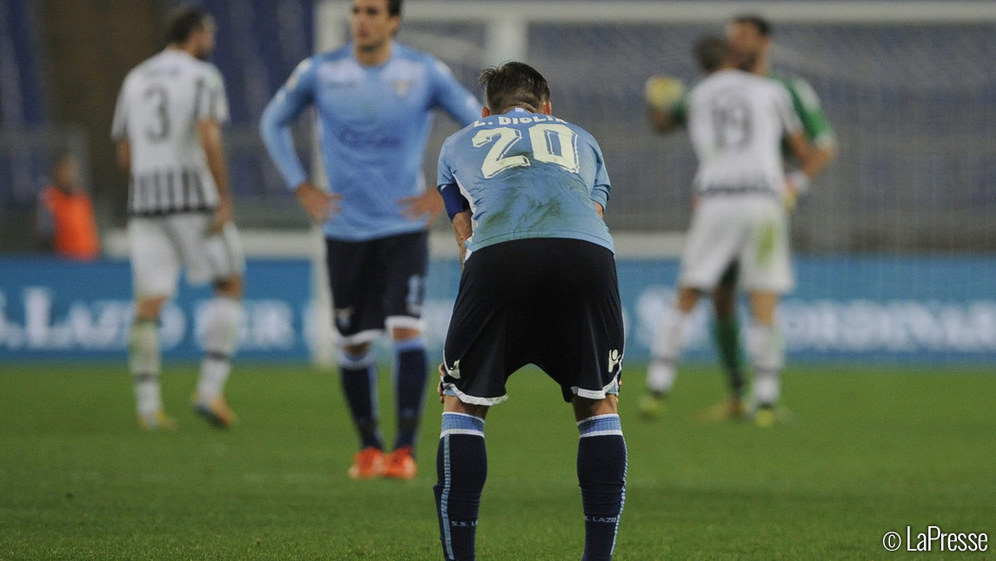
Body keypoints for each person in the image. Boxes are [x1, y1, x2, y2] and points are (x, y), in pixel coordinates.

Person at [259, 0, 481, 480]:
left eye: (373, 11)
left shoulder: (423, 72)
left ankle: (404, 450)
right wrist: (301, 186)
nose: (362, 19)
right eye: (357, 10)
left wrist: (446, 192)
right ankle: (368, 447)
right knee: (353, 341)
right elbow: (271, 121)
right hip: (345, 230)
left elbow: (479, 125)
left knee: (406, 329)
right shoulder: (321, 72)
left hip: (402, 228)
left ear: (393, 21)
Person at [434, 61, 626, 561]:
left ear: (486, 113)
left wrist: (465, 338)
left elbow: (465, 237)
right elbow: (594, 212)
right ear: (547, 109)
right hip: (585, 254)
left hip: (500, 256)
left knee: (462, 404)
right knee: (599, 403)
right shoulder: (583, 139)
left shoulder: (457, 143)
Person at [642, 15, 837, 422]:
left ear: (763, 42)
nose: (738, 44)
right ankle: (760, 397)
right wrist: (786, 180)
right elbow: (805, 148)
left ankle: (657, 387)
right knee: (755, 297)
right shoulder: (772, 92)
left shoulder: (702, 91)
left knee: (690, 291)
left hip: (716, 200)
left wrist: (657, 98)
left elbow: (665, 121)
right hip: (762, 200)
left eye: (745, 37)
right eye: (733, 39)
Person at [111, 5, 245, 430]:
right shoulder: (203, 76)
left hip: (145, 205)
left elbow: (124, 151)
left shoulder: (135, 78)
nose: (213, 41)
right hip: (194, 202)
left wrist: (147, 186)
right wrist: (223, 196)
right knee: (230, 281)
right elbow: (208, 134)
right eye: (210, 33)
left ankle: (148, 408)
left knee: (149, 302)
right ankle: (209, 390)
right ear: (196, 34)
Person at [36, 152, 101, 261]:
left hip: (87, 261)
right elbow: (45, 235)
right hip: (63, 262)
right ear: (57, 171)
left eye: (73, 170)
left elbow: (91, 234)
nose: (70, 174)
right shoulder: (49, 197)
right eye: (66, 169)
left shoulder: (83, 200)